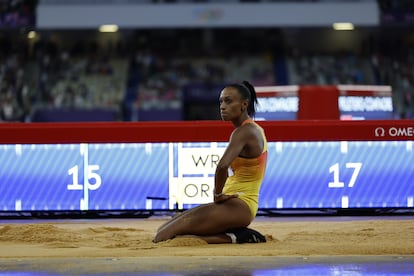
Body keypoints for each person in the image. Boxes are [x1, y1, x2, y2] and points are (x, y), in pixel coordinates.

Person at [153, 80, 268, 244]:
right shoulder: (248, 130)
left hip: (240, 206)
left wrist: (217, 195)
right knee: (163, 230)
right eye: (221, 101)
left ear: (244, 105)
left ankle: (238, 237)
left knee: (162, 238)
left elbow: (222, 166)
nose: (222, 106)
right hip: (234, 205)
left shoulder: (245, 131)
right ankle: (235, 235)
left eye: (228, 101)